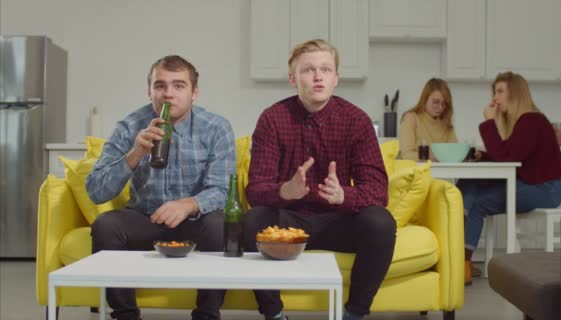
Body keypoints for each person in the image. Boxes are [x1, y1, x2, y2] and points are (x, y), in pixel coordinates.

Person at [244, 39, 396, 320]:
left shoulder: (356, 121)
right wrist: (285, 191)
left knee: (381, 222)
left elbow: (377, 190)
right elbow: (255, 190)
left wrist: (344, 196)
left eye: (325, 69)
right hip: (289, 222)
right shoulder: (272, 119)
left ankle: (354, 313)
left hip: (338, 220)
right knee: (253, 219)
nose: (317, 76)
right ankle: (274, 314)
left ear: (336, 78)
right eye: (308, 70)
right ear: (293, 78)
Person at [86, 55, 236, 320]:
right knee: (105, 225)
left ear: (194, 92)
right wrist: (135, 154)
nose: (168, 94)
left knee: (219, 224)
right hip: (146, 217)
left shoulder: (216, 128)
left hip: (193, 220)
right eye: (160, 86)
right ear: (149, 91)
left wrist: (188, 204)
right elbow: (96, 191)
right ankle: (125, 315)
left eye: (179, 86)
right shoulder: (129, 126)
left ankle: (207, 314)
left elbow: (222, 190)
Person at [457, 71, 561, 285]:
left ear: (515, 94)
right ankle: (456, 253)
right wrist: (484, 155)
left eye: (499, 92)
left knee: (479, 203)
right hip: (529, 183)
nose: (494, 98)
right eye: (494, 92)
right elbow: (508, 154)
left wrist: (488, 123)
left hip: (545, 189)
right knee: (469, 182)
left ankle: (462, 264)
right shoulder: (524, 121)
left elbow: (508, 157)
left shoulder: (531, 120)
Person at [399, 78, 458, 161]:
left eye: (444, 104)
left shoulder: (446, 123)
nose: (440, 108)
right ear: (425, 98)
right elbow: (406, 155)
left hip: (442, 173)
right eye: (436, 102)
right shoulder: (411, 118)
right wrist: (438, 157)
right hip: (418, 173)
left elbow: (454, 153)